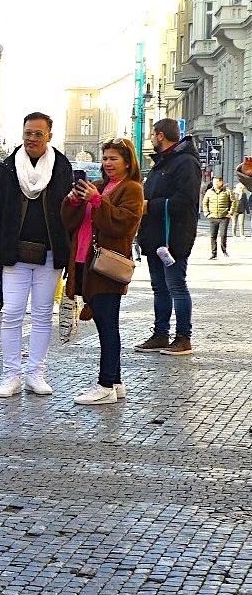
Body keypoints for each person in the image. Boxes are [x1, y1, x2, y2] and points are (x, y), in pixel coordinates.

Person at [0, 112, 74, 397]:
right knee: (11, 313)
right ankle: (10, 375)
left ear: (49, 135)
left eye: (38, 133)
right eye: (28, 133)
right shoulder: (9, 166)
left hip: (49, 254)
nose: (32, 138)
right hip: (14, 252)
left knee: (43, 314)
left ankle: (36, 372)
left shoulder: (61, 166)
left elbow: (70, 213)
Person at [60, 138, 144, 405]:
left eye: (113, 159)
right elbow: (71, 222)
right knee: (104, 324)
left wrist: (98, 202)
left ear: (128, 163)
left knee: (108, 326)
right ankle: (116, 382)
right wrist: (74, 201)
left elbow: (124, 224)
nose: (107, 163)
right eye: (105, 158)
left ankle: (105, 383)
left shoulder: (131, 188)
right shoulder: (98, 186)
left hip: (108, 266)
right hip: (86, 262)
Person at [134, 117, 201, 356]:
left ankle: (183, 337)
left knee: (176, 286)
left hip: (173, 237)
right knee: (159, 288)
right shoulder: (163, 162)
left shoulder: (184, 162)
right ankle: (161, 334)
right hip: (155, 237)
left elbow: (186, 201)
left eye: (153, 135)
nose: (151, 139)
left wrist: (149, 206)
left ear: (160, 135)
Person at [202, 176, 234, 259]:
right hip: (213, 216)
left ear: (221, 182)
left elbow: (234, 202)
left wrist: (230, 213)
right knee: (213, 236)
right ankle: (213, 253)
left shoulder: (227, 191)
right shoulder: (209, 192)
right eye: (214, 182)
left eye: (217, 182)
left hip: (224, 217)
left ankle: (224, 250)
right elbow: (205, 203)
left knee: (223, 235)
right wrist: (207, 213)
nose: (215, 184)